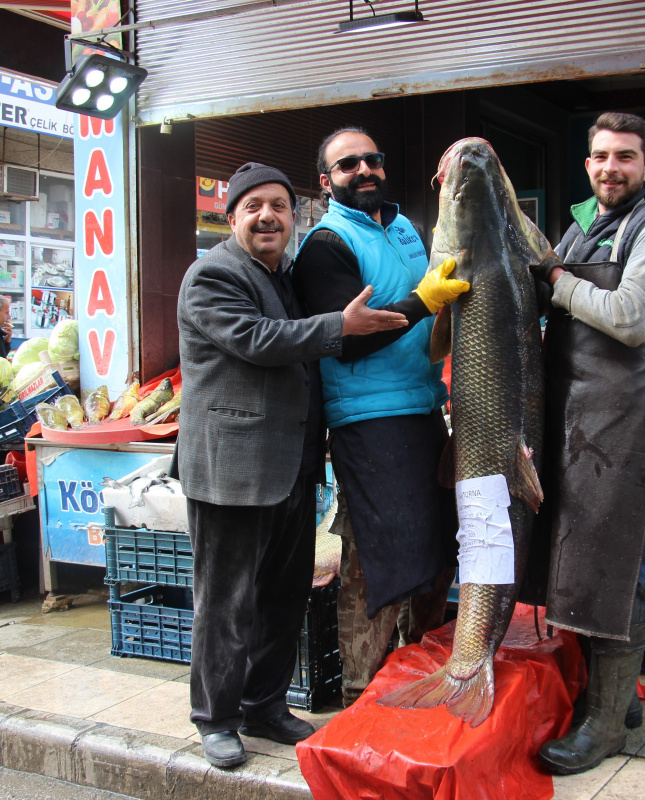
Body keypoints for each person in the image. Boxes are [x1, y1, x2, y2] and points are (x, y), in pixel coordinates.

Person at [178, 161, 408, 768]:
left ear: (294, 216)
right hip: (233, 471)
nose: (267, 217)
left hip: (292, 466)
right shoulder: (212, 276)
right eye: (253, 207)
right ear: (231, 218)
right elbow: (256, 340)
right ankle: (216, 718)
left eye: (278, 206)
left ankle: (265, 704)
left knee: (282, 596)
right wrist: (342, 326)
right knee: (228, 601)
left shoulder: (282, 276)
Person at [531, 111, 645, 775]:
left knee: (612, 565)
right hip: (576, 416)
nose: (611, 168)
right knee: (591, 557)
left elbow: (629, 320)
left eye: (625, 157)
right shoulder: (582, 226)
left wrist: (555, 283)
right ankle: (618, 695)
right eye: (601, 156)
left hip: (619, 417)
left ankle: (603, 727)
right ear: (587, 163)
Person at [292, 128, 469, 707]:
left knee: (439, 551)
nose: (364, 170)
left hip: (422, 407)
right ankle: (360, 694)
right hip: (369, 420)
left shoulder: (405, 229)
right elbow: (346, 338)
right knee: (378, 560)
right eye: (348, 165)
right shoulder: (325, 244)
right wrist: (425, 301)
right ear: (326, 182)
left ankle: (420, 669)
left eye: (372, 159)